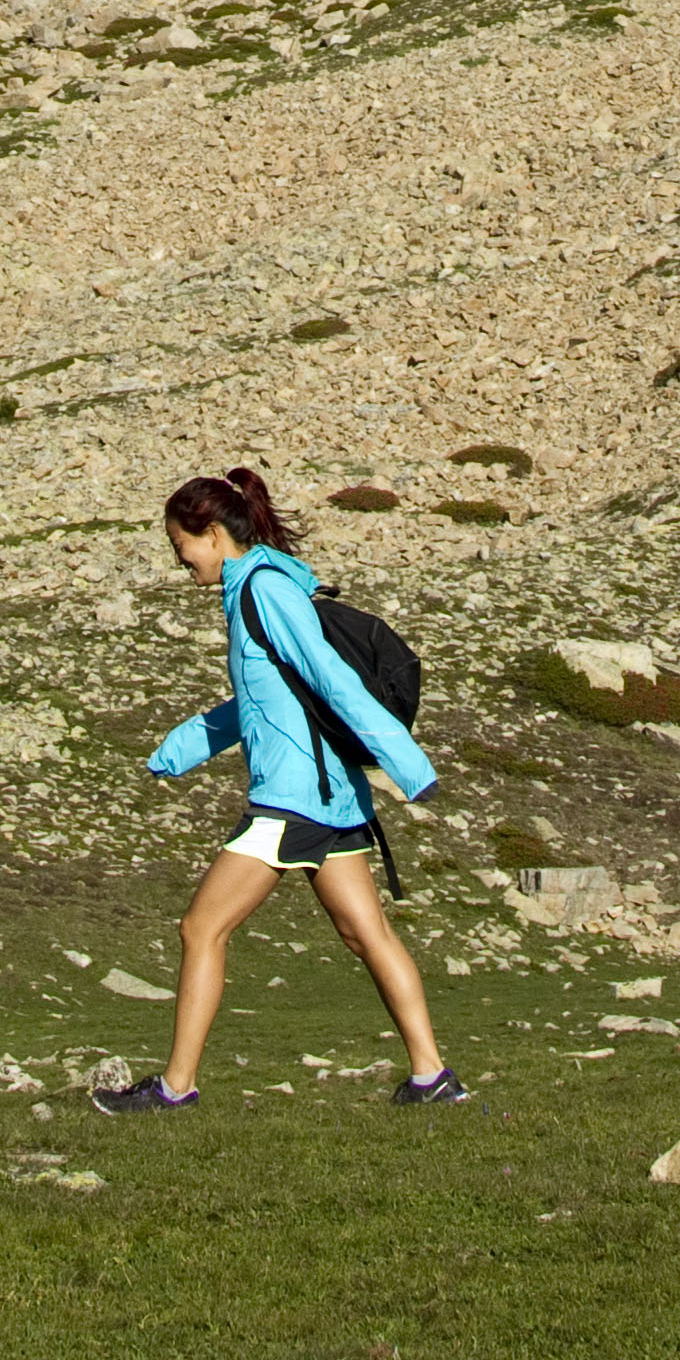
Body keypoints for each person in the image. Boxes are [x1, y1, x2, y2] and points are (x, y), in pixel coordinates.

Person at [92, 466, 461, 1115]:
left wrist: (406, 765)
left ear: (210, 533)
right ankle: (431, 1076)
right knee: (365, 934)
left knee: (200, 928)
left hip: (292, 799)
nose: (183, 567)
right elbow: (261, 702)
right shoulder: (254, 591)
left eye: (183, 551)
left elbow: (330, 678)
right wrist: (178, 750)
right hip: (328, 798)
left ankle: (175, 1087)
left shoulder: (265, 592)